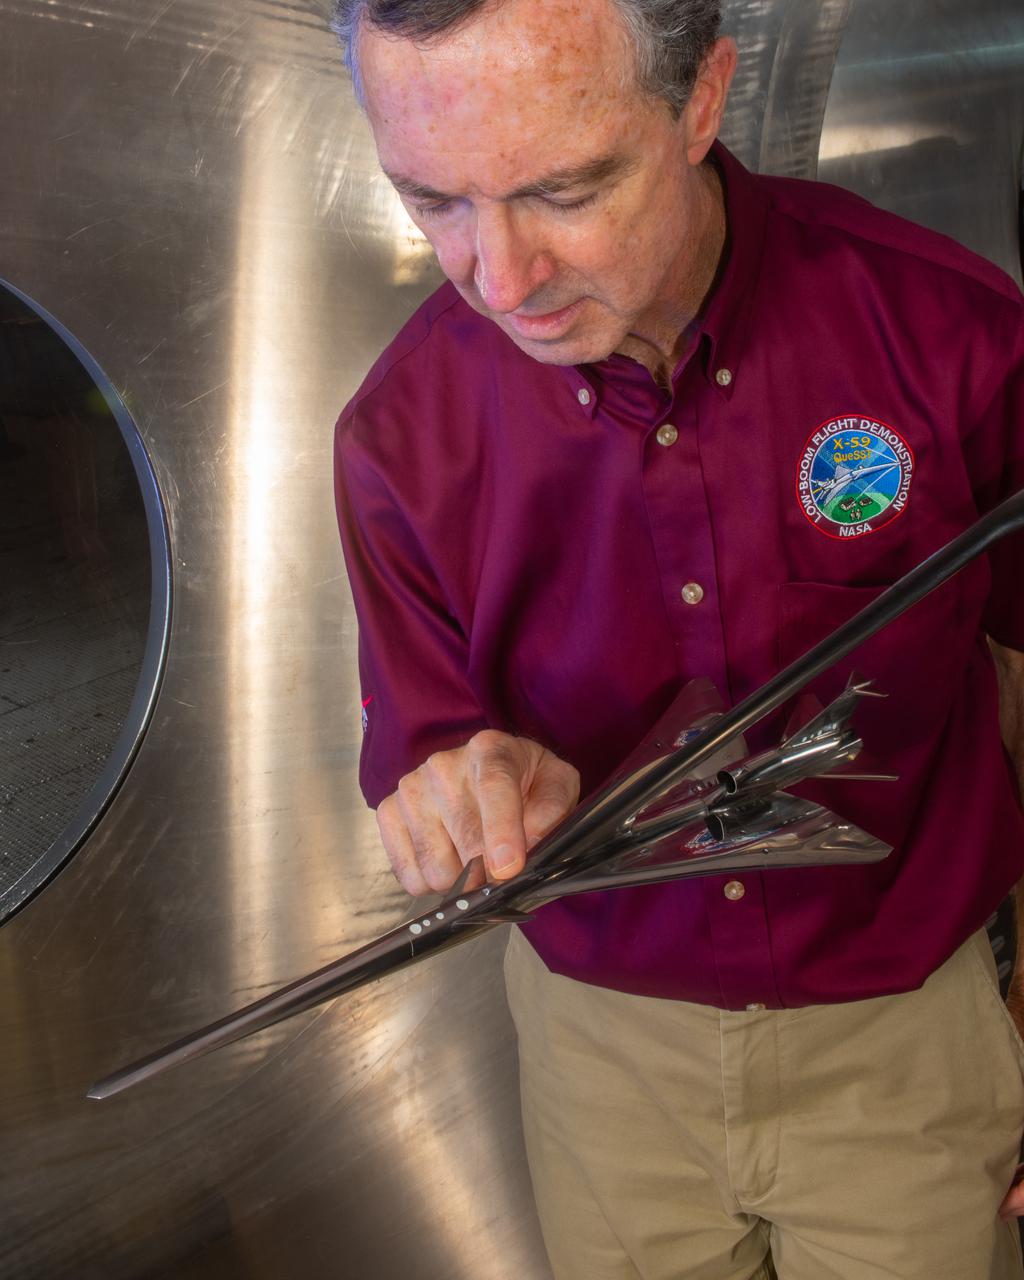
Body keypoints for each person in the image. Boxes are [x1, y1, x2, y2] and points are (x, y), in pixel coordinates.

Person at [329, 0, 1024, 1275]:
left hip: (902, 1033)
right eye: (431, 202)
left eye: (565, 188)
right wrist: (458, 787)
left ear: (702, 100)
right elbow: (421, 740)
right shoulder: (397, 436)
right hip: (602, 1053)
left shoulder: (949, 333)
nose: (501, 277)